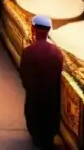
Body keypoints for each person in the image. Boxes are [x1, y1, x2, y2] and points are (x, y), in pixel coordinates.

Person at [20, 15, 63, 148]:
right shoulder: (57, 53)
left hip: (34, 98)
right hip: (52, 99)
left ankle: (37, 138)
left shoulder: (28, 52)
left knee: (35, 118)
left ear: (33, 29)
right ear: (48, 31)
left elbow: (24, 77)